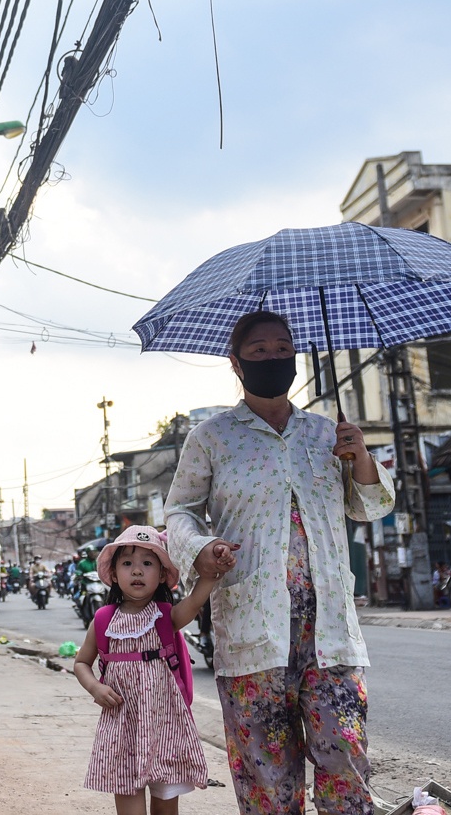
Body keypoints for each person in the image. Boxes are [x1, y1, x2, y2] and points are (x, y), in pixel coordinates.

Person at [163, 311, 394, 815]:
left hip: (330, 631)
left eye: (283, 347)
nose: (274, 357)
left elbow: (370, 506)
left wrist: (360, 457)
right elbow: (178, 510)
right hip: (252, 630)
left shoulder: (327, 432)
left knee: (345, 763)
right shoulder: (211, 437)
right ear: (236, 362)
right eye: (260, 349)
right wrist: (199, 548)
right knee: (266, 777)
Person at [73, 524, 214, 815]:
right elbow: (81, 663)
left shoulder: (166, 617)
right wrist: (95, 687)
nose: (137, 571)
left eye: (147, 563)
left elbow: (196, 599)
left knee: (165, 808)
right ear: (113, 573)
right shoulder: (102, 621)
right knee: (129, 804)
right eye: (127, 563)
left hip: (166, 728)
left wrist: (211, 574)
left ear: (162, 574)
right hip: (121, 727)